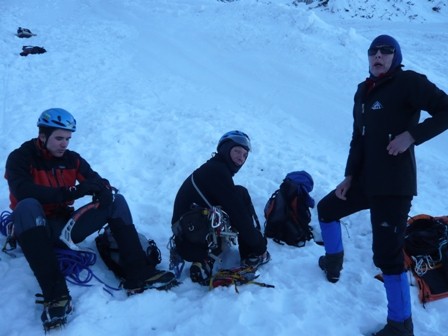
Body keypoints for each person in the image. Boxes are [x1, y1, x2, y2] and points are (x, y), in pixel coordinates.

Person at [317, 34, 448, 336]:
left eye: (386, 51)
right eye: (373, 51)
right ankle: (333, 262)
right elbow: (358, 139)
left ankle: (401, 325)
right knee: (326, 209)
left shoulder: (409, 82)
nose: (378, 55)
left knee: (387, 255)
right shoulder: (363, 92)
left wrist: (411, 136)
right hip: (365, 180)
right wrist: (350, 176)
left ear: (396, 57)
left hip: (394, 186)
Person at [5, 108, 176, 331]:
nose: (64, 144)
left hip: (65, 226)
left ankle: (139, 273)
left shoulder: (72, 160)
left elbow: (95, 179)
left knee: (116, 201)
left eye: (67, 139)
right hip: (34, 229)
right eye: (58, 138)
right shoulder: (20, 158)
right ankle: (56, 296)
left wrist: (103, 190)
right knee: (27, 205)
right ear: (43, 136)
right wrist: (72, 192)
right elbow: (23, 189)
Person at [170, 130, 269, 286]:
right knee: (239, 200)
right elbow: (239, 215)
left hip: (187, 233)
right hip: (190, 236)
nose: (241, 158)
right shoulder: (217, 171)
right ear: (225, 149)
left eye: (244, 155)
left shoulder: (215, 168)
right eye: (237, 151)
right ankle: (251, 253)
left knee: (239, 192)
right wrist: (259, 245)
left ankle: (207, 259)